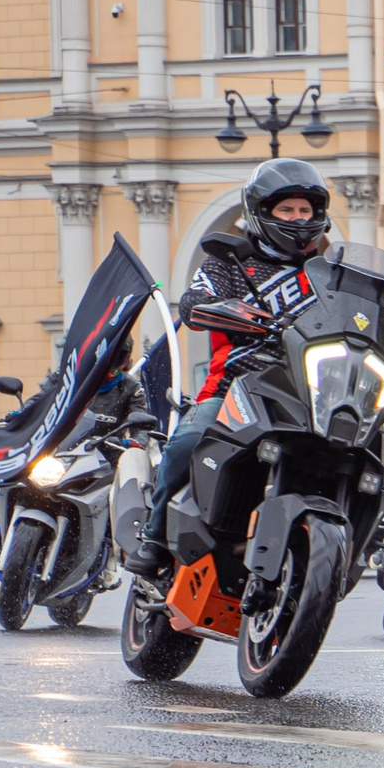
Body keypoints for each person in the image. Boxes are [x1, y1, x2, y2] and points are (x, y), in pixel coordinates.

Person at [125, 159, 332, 577]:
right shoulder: (231, 263)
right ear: (263, 212)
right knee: (191, 437)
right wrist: (214, 308)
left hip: (314, 397)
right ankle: (155, 531)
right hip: (238, 387)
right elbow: (194, 299)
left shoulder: (332, 276)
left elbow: (371, 325)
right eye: (286, 210)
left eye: (305, 211)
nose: (297, 218)